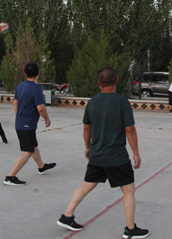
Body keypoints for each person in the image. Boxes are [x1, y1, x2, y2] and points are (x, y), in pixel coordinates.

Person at [57, 67, 149, 239]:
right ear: (117, 81)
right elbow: (130, 129)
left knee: (86, 185)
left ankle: (67, 216)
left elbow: (86, 128)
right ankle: (130, 229)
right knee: (128, 191)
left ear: (99, 83)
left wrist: (88, 147)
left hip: (97, 155)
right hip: (117, 158)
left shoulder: (92, 102)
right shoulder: (122, 102)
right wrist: (136, 153)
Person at [4, 62, 56, 186]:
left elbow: (15, 102)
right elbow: (41, 108)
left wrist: (18, 116)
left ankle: (41, 167)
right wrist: (47, 119)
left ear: (26, 73)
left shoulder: (20, 86)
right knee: (27, 151)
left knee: (33, 146)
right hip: (26, 125)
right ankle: (10, 177)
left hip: (21, 123)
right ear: (38, 73)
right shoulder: (36, 88)